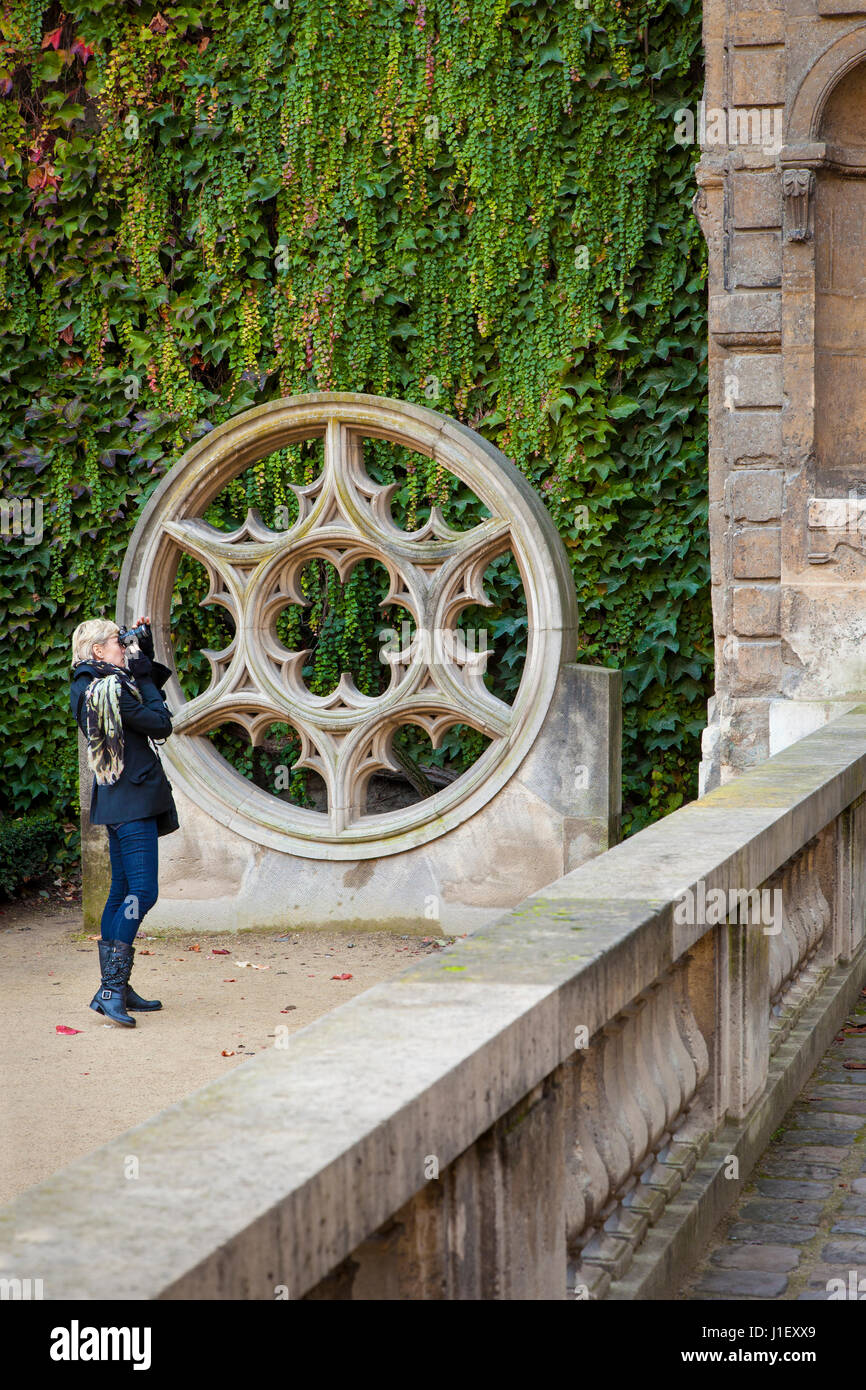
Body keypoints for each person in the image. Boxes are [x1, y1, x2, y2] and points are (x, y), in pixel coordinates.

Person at [69, 615, 179, 1028]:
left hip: (115, 798)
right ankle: (112, 989)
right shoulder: (115, 688)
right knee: (143, 892)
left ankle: (117, 986)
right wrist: (145, 675)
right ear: (98, 650)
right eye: (117, 640)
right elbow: (160, 722)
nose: (122, 645)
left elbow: (136, 709)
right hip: (133, 800)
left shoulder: (90, 685)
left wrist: (140, 653)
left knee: (121, 891)